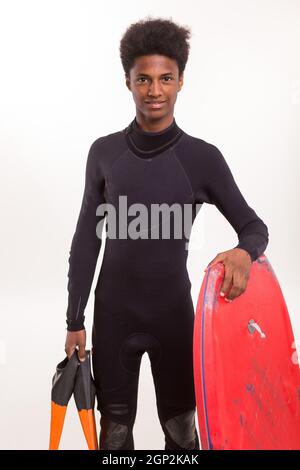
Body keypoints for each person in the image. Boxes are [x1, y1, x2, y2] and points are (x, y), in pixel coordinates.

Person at [64, 17, 269, 450]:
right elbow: (86, 239)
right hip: (114, 316)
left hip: (174, 319)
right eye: (143, 78)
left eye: (165, 78)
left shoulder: (202, 159)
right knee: (114, 434)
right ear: (128, 81)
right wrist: (74, 321)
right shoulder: (104, 154)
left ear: (180, 81)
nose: (154, 90)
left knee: (181, 430)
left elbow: (253, 226)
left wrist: (243, 252)